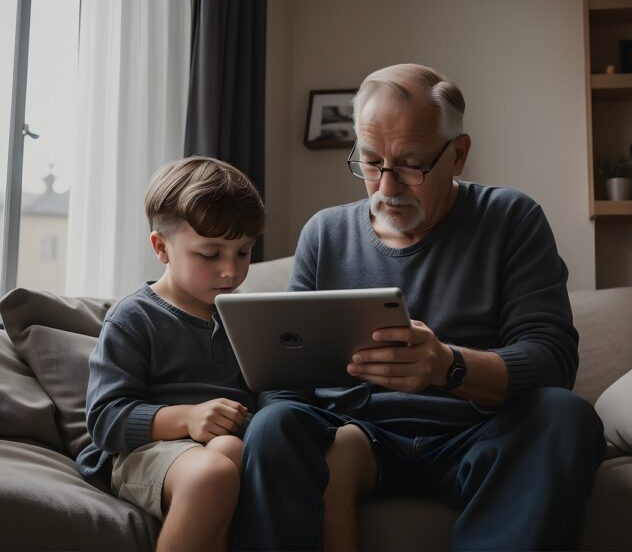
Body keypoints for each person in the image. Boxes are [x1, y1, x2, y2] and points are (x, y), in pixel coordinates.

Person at [232, 64, 606, 551]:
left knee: (566, 415)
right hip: (355, 439)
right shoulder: (325, 233)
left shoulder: (511, 219)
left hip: (476, 439)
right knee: (272, 424)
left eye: (411, 164)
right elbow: (287, 380)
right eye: (370, 162)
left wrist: (449, 366)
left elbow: (553, 360)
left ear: (458, 155)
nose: (387, 186)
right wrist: (304, 433)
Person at [75, 156, 264, 551]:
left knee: (229, 452)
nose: (231, 271)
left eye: (243, 252)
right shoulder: (133, 318)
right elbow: (104, 420)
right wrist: (190, 417)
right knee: (213, 471)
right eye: (210, 255)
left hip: (220, 448)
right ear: (161, 248)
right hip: (140, 454)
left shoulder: (248, 317)